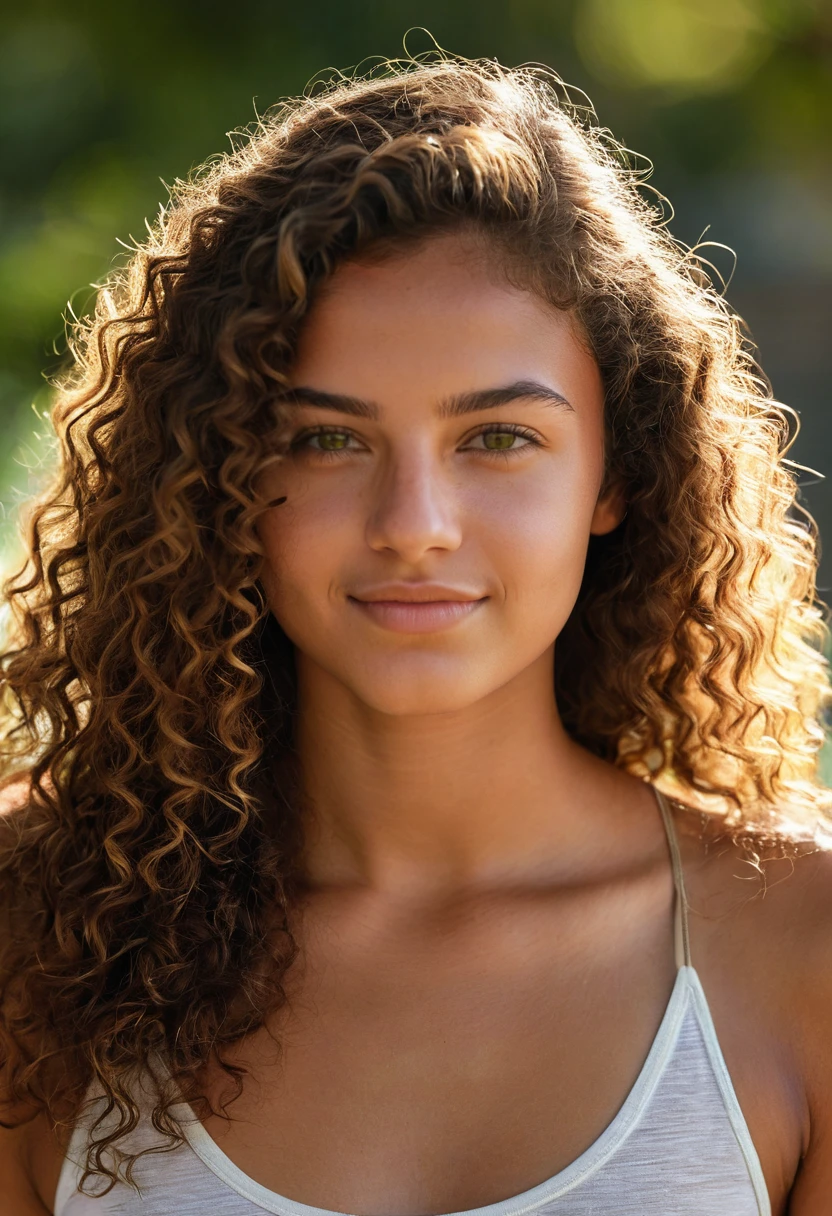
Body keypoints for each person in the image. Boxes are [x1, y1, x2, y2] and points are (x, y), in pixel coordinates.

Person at [1, 49, 831, 1216]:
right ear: (219, 477)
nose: (413, 527)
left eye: (497, 438)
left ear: (617, 476)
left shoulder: (804, 953)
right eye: (327, 440)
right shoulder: (36, 937)